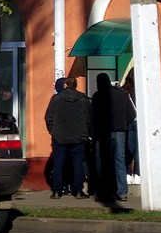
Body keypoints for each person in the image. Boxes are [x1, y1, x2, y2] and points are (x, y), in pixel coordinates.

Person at [91, 73, 136, 202]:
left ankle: (106, 191)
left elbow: (94, 117)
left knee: (104, 162)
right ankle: (122, 192)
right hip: (120, 132)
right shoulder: (122, 94)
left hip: (103, 132)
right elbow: (132, 114)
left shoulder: (98, 96)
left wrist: (94, 134)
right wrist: (122, 124)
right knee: (119, 161)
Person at [44, 76, 92, 199]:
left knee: (59, 164)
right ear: (76, 85)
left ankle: (57, 191)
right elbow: (89, 118)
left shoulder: (56, 99)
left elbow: (49, 117)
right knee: (78, 164)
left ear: (65, 85)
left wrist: (53, 131)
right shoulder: (83, 99)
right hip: (79, 136)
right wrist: (87, 132)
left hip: (60, 137)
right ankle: (78, 191)